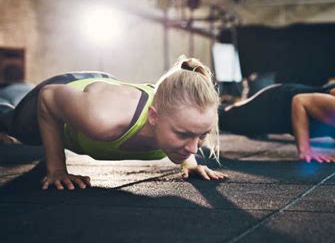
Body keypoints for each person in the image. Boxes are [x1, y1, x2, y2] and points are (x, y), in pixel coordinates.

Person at [0, 56, 227, 190]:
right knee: (14, 126)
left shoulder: (175, 115)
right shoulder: (103, 120)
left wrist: (190, 163)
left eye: (202, 135)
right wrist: (57, 169)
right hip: (70, 90)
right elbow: (48, 97)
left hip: (107, 91)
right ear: (154, 117)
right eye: (183, 135)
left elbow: (186, 126)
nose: (193, 148)